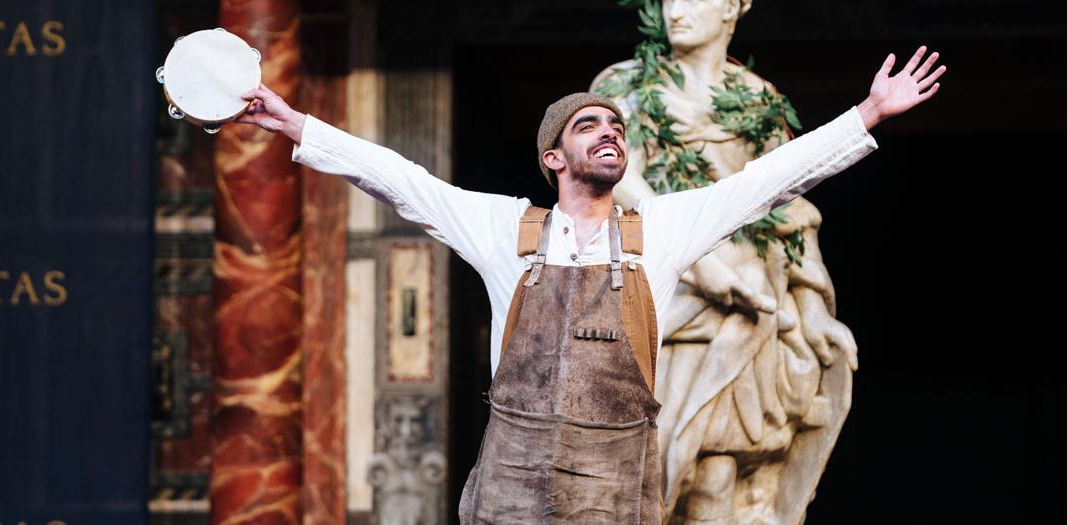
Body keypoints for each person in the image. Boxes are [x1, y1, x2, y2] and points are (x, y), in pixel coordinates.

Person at [232, 46, 943, 523]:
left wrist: (869, 113)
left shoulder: (658, 230)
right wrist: (293, 121)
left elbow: (765, 183)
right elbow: (399, 179)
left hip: (614, 494)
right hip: (511, 491)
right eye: (588, 124)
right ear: (554, 155)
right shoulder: (506, 229)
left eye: (616, 127)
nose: (609, 132)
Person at [586, 1, 927, 521]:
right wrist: (698, 261)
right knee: (641, 468)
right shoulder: (623, 86)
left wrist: (813, 307)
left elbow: (787, 203)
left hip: (745, 305)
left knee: (721, 472)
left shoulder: (755, 98)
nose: (677, 10)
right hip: (659, 295)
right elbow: (616, 180)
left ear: (732, 8)